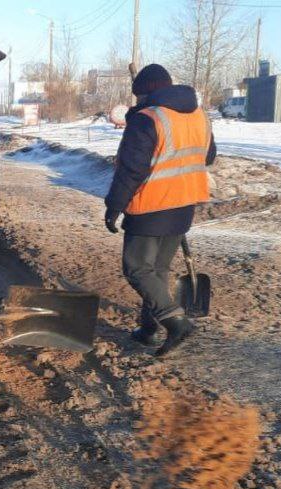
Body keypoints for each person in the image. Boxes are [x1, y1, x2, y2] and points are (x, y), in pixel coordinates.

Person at [104, 64, 217, 357]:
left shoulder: (147, 119)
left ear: (147, 92)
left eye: (139, 96)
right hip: (184, 203)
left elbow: (131, 170)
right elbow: (209, 155)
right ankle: (149, 329)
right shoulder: (197, 115)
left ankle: (177, 323)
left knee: (138, 268)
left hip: (151, 204)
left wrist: (114, 206)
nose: (137, 101)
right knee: (158, 270)